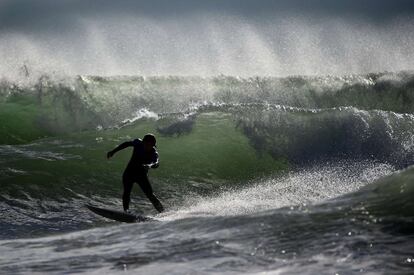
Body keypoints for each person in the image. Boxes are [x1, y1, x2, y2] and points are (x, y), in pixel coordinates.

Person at [107, 133, 164, 213]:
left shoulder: (154, 153)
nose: (147, 146)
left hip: (141, 176)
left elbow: (156, 163)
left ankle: (162, 212)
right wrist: (113, 151)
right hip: (129, 172)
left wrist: (149, 165)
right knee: (126, 192)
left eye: (149, 144)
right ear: (143, 142)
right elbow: (126, 144)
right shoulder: (138, 143)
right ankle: (126, 211)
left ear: (153, 145)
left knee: (150, 195)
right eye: (145, 143)